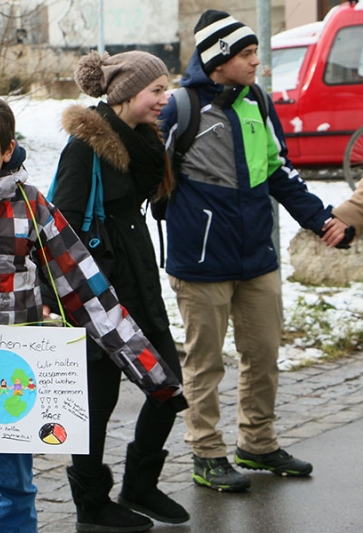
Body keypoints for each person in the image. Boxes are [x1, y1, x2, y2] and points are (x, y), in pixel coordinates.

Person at [0, 94, 186, 532]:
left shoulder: (30, 205)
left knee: (18, 491)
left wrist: (152, 373)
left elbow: (88, 291)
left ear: (7, 150)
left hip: (13, 381)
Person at [157, 9, 350, 492]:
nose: (257, 62)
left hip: (257, 255)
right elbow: (148, 175)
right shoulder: (180, 107)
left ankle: (257, 444)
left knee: (263, 354)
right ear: (219, 59)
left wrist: (322, 218)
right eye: (247, 55)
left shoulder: (256, 102)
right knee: (205, 362)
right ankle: (206, 453)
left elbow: (278, 170)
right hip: (201, 262)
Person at [48, 51, 189, 531]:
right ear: (127, 94)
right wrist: (85, 297)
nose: (164, 100)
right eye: (157, 91)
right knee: (96, 401)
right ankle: (91, 504)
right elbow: (60, 227)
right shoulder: (85, 148)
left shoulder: (143, 141)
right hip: (99, 295)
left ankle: (140, 484)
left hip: (139, 282)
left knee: (166, 383)